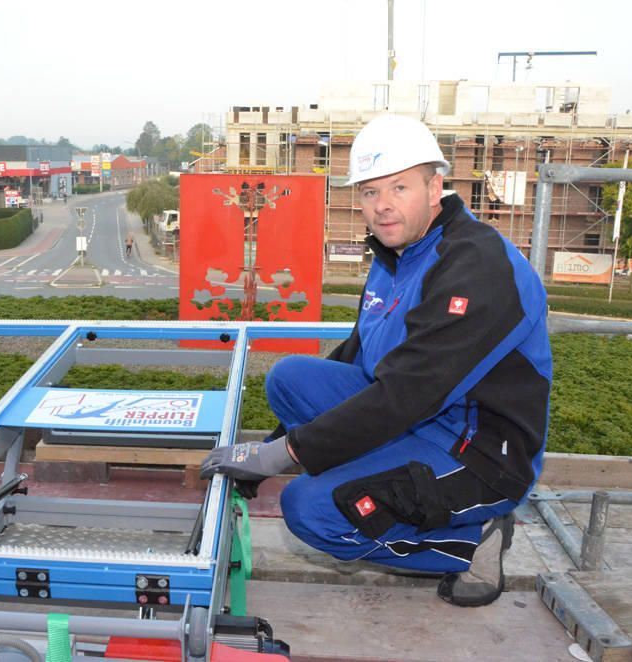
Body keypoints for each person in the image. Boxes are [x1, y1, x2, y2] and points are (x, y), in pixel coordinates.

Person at [201, 114, 552, 608]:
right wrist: (272, 446)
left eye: (399, 187)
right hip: (413, 416)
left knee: (310, 510)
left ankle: (472, 539)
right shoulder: (399, 254)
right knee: (289, 378)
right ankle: (381, 477)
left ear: (436, 187)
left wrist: (283, 459)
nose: (382, 206)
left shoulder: (477, 267)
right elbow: (356, 357)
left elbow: (406, 394)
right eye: (369, 192)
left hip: (476, 452)